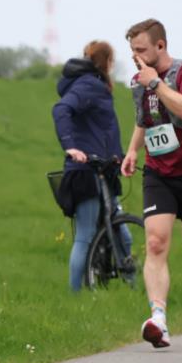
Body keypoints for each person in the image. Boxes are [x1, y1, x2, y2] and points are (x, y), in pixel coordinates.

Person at [120, 19, 182, 348]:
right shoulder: (138, 81)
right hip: (159, 172)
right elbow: (144, 120)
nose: (135, 56)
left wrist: (155, 84)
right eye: (132, 50)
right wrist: (133, 150)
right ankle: (158, 319)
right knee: (156, 243)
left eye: (141, 50)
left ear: (160, 46)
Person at [52, 40, 131, 291]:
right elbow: (61, 110)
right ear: (106, 61)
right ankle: (74, 297)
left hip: (104, 169)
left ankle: (132, 287)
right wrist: (71, 147)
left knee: (124, 235)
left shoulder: (96, 85)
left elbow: (103, 129)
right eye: (112, 60)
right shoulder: (87, 85)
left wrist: (117, 155)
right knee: (85, 236)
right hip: (85, 172)